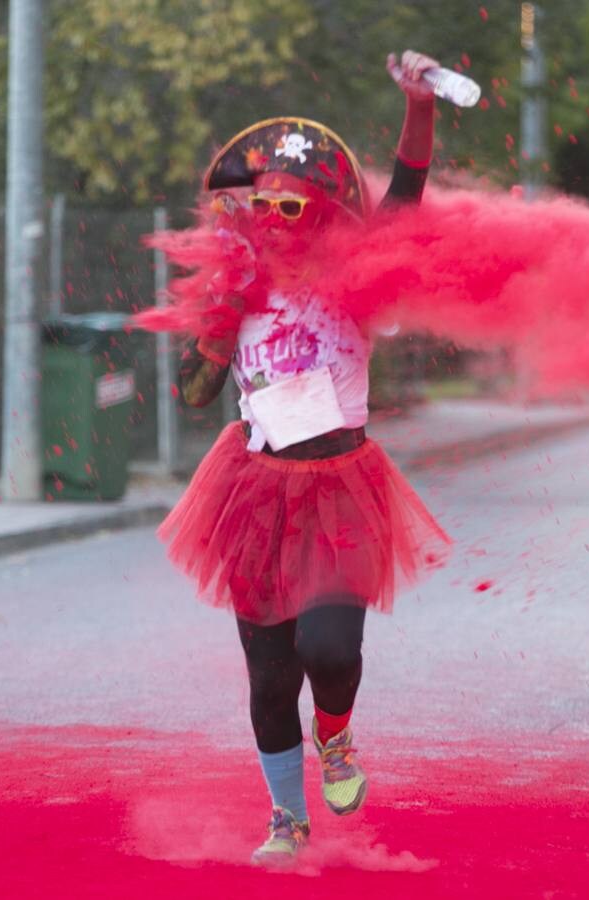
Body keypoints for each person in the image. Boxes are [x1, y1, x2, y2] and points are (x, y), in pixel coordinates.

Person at [154, 50, 452, 866]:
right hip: (254, 488)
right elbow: (190, 396)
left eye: (295, 201)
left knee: (331, 652)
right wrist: (216, 326)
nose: (280, 214)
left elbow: (408, 199)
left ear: (324, 210)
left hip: (341, 483)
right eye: (267, 202)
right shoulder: (236, 286)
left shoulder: (358, 279)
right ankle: (287, 818)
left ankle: (339, 734)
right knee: (269, 673)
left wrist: (417, 107)